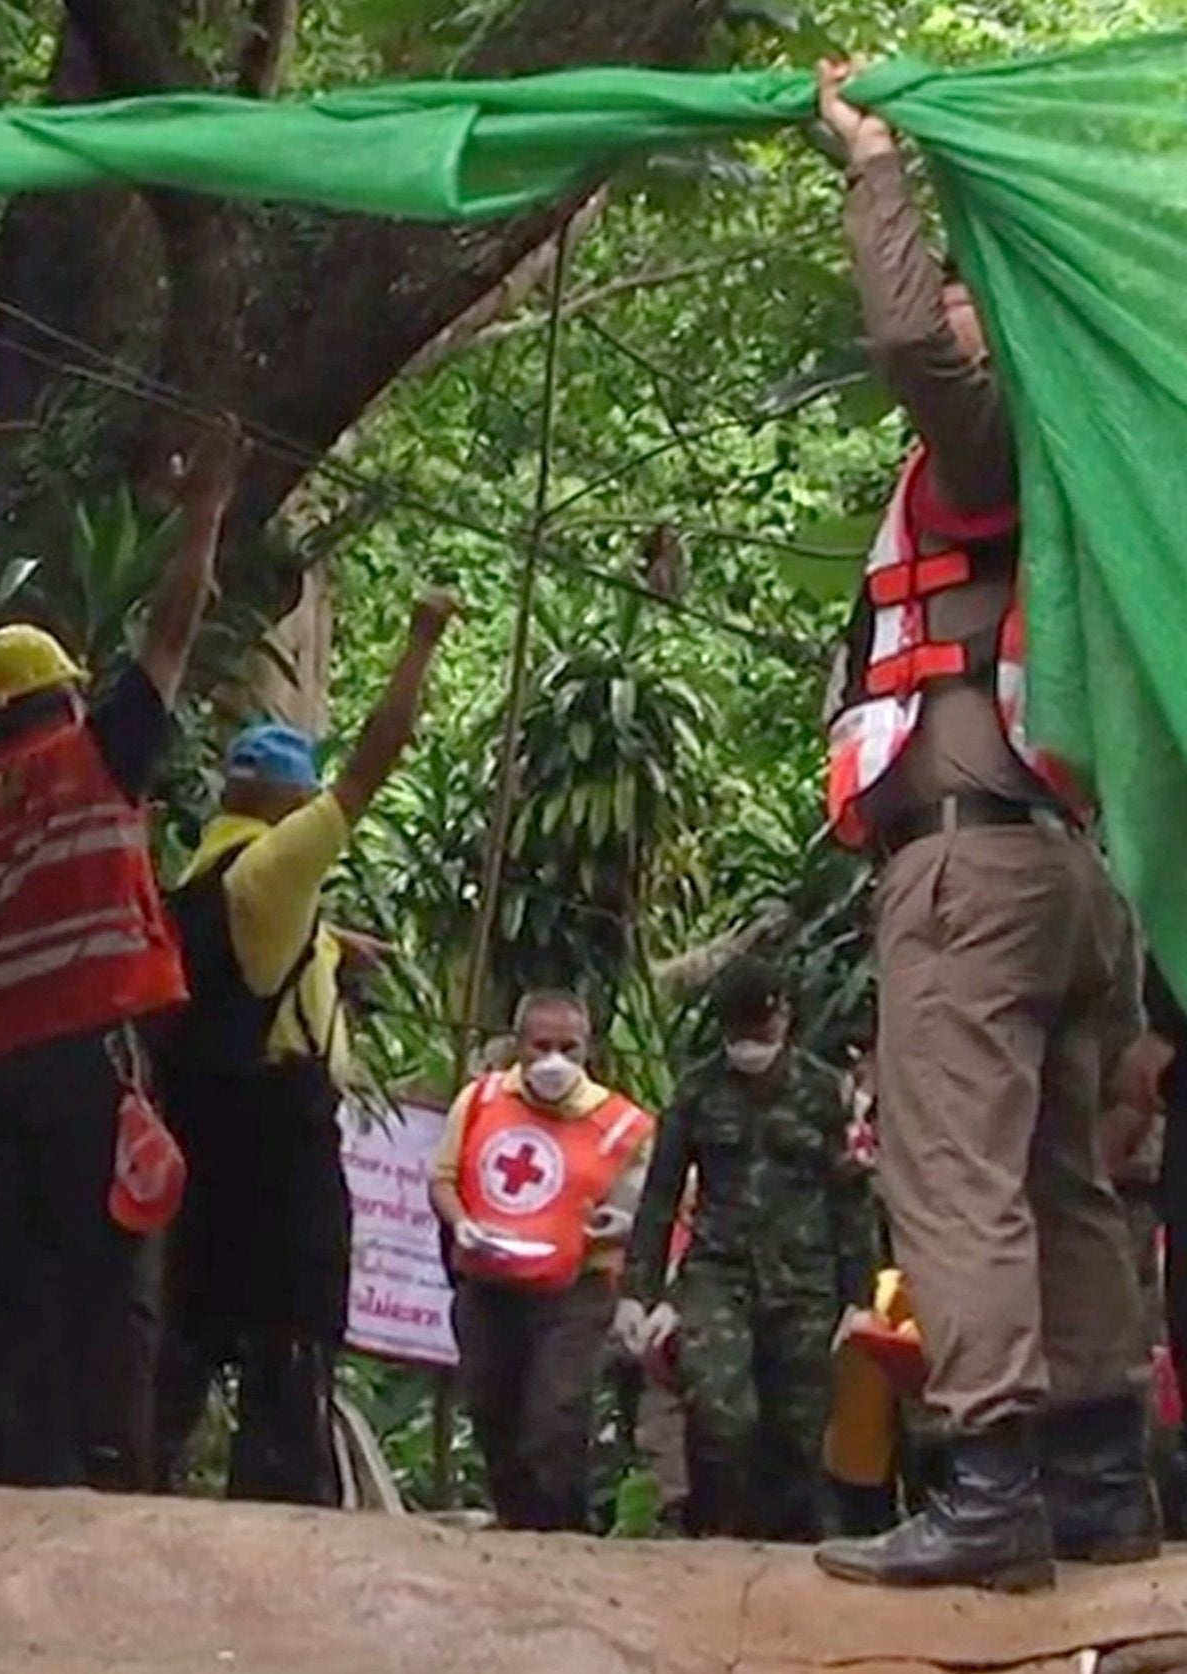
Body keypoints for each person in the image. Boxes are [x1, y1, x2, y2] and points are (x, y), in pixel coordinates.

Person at [810, 63, 1153, 1590]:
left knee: (952, 1175)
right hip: (1075, 877)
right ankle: (1094, 1479)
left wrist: (876, 170)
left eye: (972, 292)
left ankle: (993, 1487)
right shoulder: (1104, 455)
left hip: (976, 869)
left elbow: (906, 338)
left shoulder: (997, 433)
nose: (946, 305)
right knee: (1060, 1180)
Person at [0, 415, 242, 1491]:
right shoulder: (102, 752)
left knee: (15, 1275)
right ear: (65, 693)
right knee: (112, 1262)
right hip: (91, 1060)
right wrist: (205, 511)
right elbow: (176, 626)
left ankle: (15, 1466)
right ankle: (110, 1476)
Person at [151, 592, 457, 1504]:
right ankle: (278, 1517)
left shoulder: (202, 876)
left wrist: (333, 942)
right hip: (279, 1143)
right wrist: (420, 643)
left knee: (195, 1323)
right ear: (285, 803)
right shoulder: (277, 869)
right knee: (290, 1340)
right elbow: (376, 760)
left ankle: (136, 1483)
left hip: (205, 1131)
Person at [619, 959, 879, 1540]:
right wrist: (639, 1292)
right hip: (719, 1273)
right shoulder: (697, 1092)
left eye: (759, 1032)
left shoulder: (822, 1092)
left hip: (806, 1281)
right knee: (720, 1412)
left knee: (800, 1429)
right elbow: (660, 1196)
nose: (750, 1046)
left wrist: (859, 1298)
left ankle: (790, 1549)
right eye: (739, 1033)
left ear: (784, 1018)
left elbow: (851, 1199)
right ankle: (713, 1534)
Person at [428, 991, 654, 1531]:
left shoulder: (623, 1124)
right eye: (542, 1046)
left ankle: (559, 1534)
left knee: (556, 1414)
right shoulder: (481, 1101)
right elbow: (443, 1177)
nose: (554, 1060)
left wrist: (624, 1225)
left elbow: (655, 1206)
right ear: (518, 1046)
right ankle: (515, 1529)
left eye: (568, 1048)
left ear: (588, 1050)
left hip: (575, 1291)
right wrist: (461, 1222)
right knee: (489, 1404)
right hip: (489, 1283)